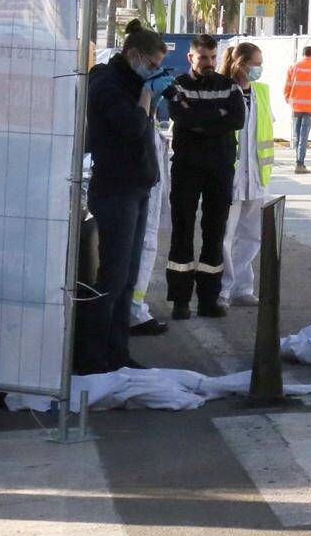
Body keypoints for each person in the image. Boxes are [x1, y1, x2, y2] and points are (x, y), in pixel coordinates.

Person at [82, 25, 170, 371]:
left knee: (128, 278)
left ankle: (118, 354)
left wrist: (153, 94)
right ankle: (93, 356)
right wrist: (147, 95)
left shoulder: (130, 81)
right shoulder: (106, 83)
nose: (153, 72)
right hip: (115, 189)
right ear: (133, 55)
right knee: (113, 276)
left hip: (137, 186)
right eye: (152, 65)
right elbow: (132, 127)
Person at [166, 33, 244, 319]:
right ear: (191, 57)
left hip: (220, 170)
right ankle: (180, 301)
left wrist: (198, 120)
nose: (209, 63)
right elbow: (181, 117)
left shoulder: (228, 85)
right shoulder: (179, 85)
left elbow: (236, 120)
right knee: (182, 231)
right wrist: (216, 117)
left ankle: (209, 300)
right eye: (203, 58)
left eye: (213, 57)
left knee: (215, 233)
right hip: (187, 168)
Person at [220, 41, 275, 308]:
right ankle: (223, 289)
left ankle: (242, 288)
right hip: (230, 176)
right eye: (256, 64)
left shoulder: (261, 92)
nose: (259, 69)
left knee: (252, 236)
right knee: (225, 237)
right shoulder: (223, 91)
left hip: (256, 175)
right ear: (240, 64)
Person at [284, 45, 311, 173]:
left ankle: (298, 161)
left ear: (303, 54)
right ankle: (300, 163)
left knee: (297, 135)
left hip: (296, 105)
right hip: (310, 106)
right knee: (304, 135)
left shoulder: (293, 67)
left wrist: (288, 99)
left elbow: (287, 85)